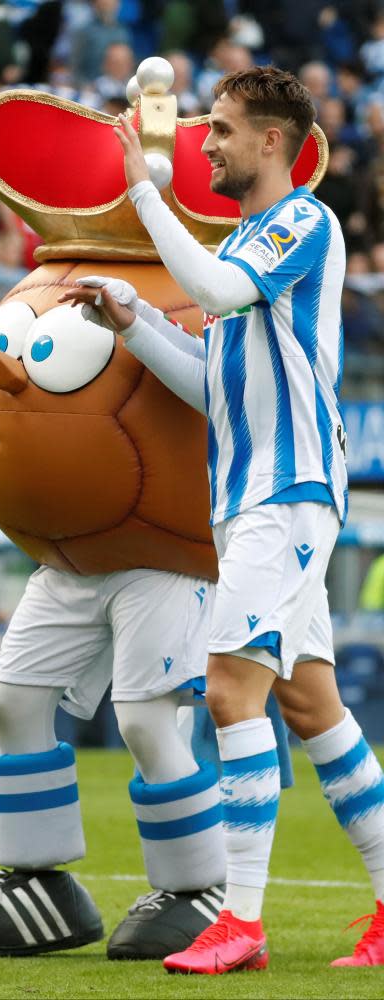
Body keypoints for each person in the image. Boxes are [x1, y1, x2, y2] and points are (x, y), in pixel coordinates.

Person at [61, 65, 384, 972]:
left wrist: (142, 190)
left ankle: (239, 922)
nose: (206, 143)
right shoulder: (250, 242)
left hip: (286, 495)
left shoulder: (300, 222)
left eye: (224, 130)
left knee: (230, 689)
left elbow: (213, 291)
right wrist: (130, 320)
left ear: (272, 142)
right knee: (311, 704)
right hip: (259, 500)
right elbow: (211, 381)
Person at [0, 280, 228, 961]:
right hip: (70, 553)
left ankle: (200, 889)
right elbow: (7, 358)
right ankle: (36, 882)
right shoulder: (64, 279)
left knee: (145, 719)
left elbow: (206, 381)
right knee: (13, 700)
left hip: (160, 552)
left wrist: (134, 318)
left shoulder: (185, 288)